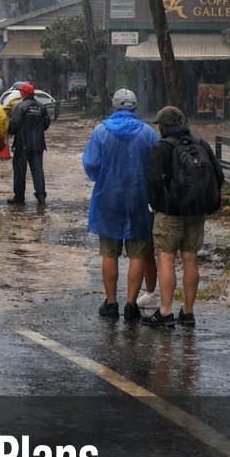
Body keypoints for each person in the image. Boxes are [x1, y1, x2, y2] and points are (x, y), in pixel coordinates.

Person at [143, 106, 224, 328]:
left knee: (166, 259)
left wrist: (156, 204)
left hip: (170, 214)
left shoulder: (162, 147)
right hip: (197, 213)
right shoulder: (200, 144)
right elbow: (219, 175)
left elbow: (153, 181)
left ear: (162, 126)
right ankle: (187, 312)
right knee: (190, 260)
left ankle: (166, 312)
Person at [83, 89, 159, 321]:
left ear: (113, 107)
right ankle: (131, 305)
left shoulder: (101, 131)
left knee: (109, 252)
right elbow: (155, 167)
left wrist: (107, 177)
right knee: (137, 253)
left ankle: (112, 303)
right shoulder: (148, 132)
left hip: (108, 198)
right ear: (136, 107)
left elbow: (91, 165)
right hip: (139, 199)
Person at [7, 83, 50, 207]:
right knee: (38, 171)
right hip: (38, 145)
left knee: (20, 172)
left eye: (21, 92)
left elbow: (13, 127)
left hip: (22, 145)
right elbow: (46, 125)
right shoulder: (42, 107)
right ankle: (41, 197)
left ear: (24, 93)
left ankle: (19, 198)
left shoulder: (20, 107)